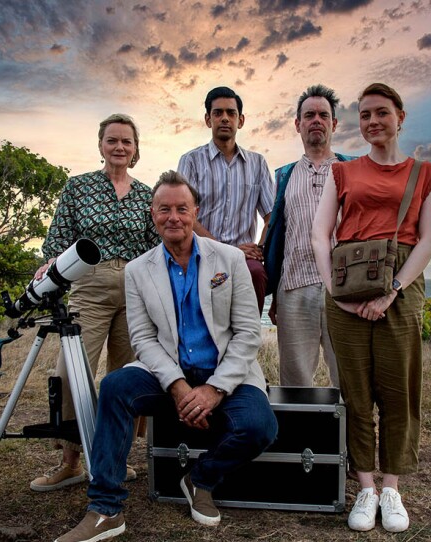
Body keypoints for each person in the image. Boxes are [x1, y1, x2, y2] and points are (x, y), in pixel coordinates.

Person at [55, 171, 277, 542]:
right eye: (164, 209)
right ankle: (106, 509)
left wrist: (214, 390)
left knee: (260, 427)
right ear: (152, 213)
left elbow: (247, 333)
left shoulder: (230, 260)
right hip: (168, 373)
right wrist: (178, 388)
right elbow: (143, 339)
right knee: (116, 386)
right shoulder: (139, 270)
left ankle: (200, 478)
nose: (173, 217)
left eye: (181, 208)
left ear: (195, 212)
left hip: (226, 374)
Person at [311, 83, 431, 533]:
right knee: (354, 391)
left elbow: (428, 240)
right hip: (348, 282)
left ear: (400, 117)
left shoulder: (424, 173)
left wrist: (393, 291)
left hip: (400, 283)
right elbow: (319, 234)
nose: (372, 121)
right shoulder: (343, 173)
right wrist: (334, 291)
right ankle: (365, 486)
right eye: (365, 114)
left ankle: (392, 487)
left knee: (398, 391)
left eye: (381, 113)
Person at [31, 113, 160, 492]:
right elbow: (56, 242)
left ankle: (113, 459)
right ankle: (70, 462)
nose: (119, 147)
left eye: (127, 141)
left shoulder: (146, 195)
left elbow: (156, 248)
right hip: (88, 284)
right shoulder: (78, 187)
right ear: (101, 144)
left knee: (126, 375)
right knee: (72, 370)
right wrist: (49, 271)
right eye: (112, 140)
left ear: (136, 149)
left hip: (136, 287)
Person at [263, 84, 354, 387]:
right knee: (295, 381)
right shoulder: (283, 176)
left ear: (334, 124)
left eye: (323, 115)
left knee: (348, 379)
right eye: (309, 115)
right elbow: (278, 237)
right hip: (293, 288)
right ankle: (300, 437)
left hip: (343, 288)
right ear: (297, 124)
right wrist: (275, 294)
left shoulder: (352, 170)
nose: (316, 120)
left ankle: (348, 436)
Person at [177, 86, 275, 313]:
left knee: (257, 273)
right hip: (200, 253)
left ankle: (248, 339)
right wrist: (226, 250)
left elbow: (271, 216)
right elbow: (185, 214)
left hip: (243, 260)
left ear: (240, 121)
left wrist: (258, 248)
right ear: (207, 119)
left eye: (230, 113)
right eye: (218, 113)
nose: (224, 118)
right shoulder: (191, 161)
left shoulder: (257, 164)